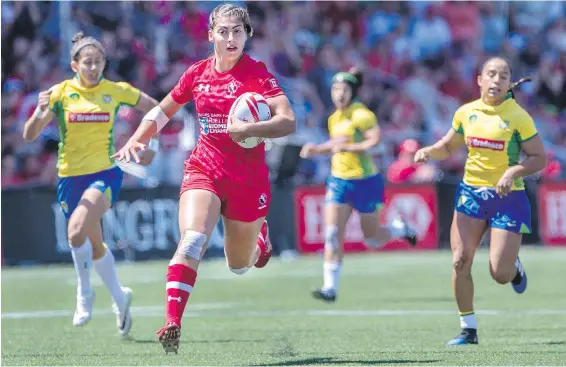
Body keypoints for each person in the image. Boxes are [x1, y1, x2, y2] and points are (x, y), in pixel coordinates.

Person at [112, 4, 296, 354]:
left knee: (238, 266)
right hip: (204, 170)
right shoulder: (197, 73)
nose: (230, 38)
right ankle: (172, 322)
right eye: (223, 31)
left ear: (247, 35)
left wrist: (250, 128)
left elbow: (288, 121)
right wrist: (139, 136)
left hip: (248, 181)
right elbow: (164, 109)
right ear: (211, 34)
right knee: (192, 240)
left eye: (237, 31)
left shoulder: (256, 73)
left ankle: (260, 234)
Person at [22, 32, 159, 336]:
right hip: (69, 177)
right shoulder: (60, 93)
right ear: (75, 65)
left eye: (98, 62)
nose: (94, 67)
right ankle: (120, 298)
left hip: (105, 173)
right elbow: (29, 135)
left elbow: (157, 109)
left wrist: (148, 144)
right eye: (87, 62)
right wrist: (40, 111)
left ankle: (84, 294)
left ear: (104, 63)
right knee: (94, 245)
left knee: (75, 230)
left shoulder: (115, 90)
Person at [414, 57, 547, 345]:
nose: (497, 80)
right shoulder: (466, 112)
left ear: (509, 83)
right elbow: (448, 146)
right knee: (460, 260)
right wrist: (429, 152)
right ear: (480, 80)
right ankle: (468, 329)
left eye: (503, 75)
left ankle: (514, 268)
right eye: (491, 74)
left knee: (499, 273)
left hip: (508, 198)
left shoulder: (519, 117)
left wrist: (513, 171)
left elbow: (539, 158)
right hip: (472, 194)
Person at [299, 67, 417, 303]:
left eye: (343, 90)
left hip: (365, 181)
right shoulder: (334, 118)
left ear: (352, 92)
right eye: (335, 89)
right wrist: (317, 149)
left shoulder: (362, 115)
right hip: (339, 181)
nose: (338, 94)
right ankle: (329, 288)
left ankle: (399, 229)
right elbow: (336, 143)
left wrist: (349, 147)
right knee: (332, 234)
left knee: (372, 238)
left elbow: (375, 141)